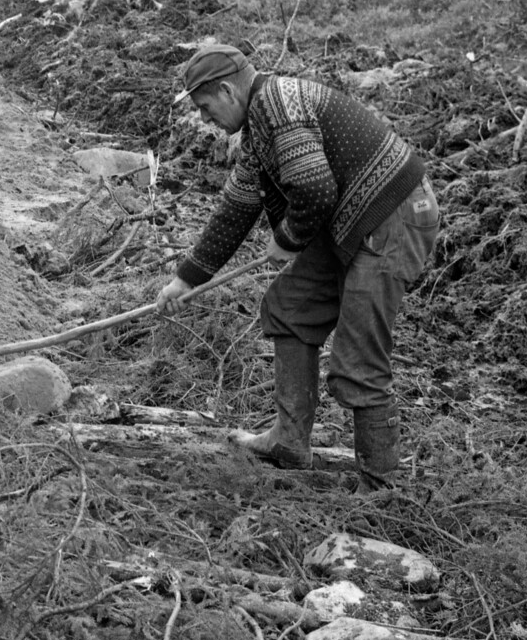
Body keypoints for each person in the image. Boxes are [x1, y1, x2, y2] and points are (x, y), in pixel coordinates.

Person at [155, 44, 440, 492]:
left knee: (358, 362)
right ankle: (289, 441)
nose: (205, 119)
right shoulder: (257, 128)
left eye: (205, 108)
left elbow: (314, 188)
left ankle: (380, 489)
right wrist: (185, 279)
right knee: (289, 308)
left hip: (393, 217)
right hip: (353, 221)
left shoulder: (278, 105)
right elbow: (236, 208)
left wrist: (287, 239)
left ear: (228, 91)